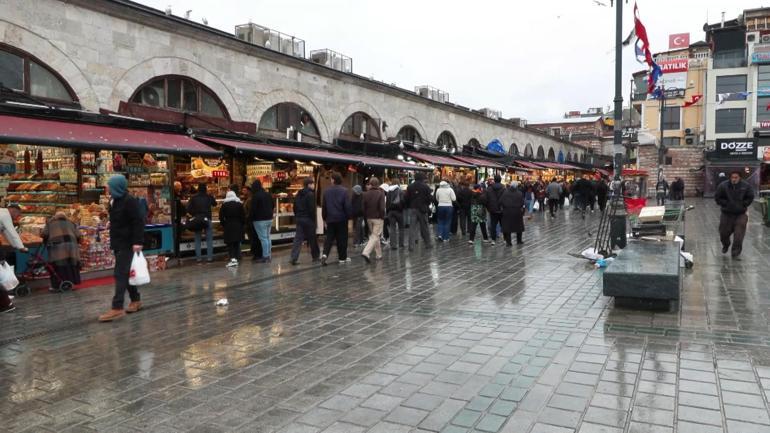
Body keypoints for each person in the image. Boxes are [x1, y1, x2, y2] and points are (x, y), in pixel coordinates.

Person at [99, 175, 145, 322]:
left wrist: (138, 242)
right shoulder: (114, 200)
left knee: (120, 273)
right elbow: (121, 219)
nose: (107, 188)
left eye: (109, 185)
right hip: (118, 242)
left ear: (116, 186)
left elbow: (138, 221)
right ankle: (135, 300)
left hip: (128, 243)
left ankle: (117, 307)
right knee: (126, 272)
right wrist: (110, 223)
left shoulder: (129, 201)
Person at [715, 171, 755, 258]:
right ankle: (726, 244)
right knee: (723, 233)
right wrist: (725, 203)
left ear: (740, 178)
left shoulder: (746, 186)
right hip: (726, 213)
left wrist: (744, 204)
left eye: (736, 177)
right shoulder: (723, 186)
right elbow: (717, 197)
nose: (734, 179)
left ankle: (735, 252)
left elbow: (750, 196)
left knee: (739, 235)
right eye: (732, 177)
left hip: (741, 214)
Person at [42, 211, 81, 291]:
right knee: (71, 265)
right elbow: (78, 235)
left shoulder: (50, 223)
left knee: (59, 266)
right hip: (71, 248)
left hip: (57, 248)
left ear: (55, 216)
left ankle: (57, 285)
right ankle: (71, 283)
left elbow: (44, 234)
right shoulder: (71, 223)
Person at [0, 205, 27, 313]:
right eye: (17, 215)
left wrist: (17, 246)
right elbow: (11, 232)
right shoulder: (5, 214)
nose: (16, 218)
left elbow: (6, 233)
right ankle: (6, 304)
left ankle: (5, 304)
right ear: (13, 211)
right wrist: (21, 247)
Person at [321, 172, 352, 265]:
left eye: (331, 179)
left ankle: (325, 254)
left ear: (333, 180)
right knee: (342, 238)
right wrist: (349, 217)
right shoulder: (344, 191)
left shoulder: (326, 191)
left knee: (329, 238)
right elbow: (347, 206)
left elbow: (324, 207)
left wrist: (324, 218)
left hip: (330, 218)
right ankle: (342, 258)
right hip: (342, 219)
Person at [290, 177, 320, 265]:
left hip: (299, 219)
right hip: (308, 219)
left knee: (298, 239)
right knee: (312, 238)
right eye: (313, 184)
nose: (314, 185)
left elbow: (294, 207)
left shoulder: (298, 194)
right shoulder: (310, 194)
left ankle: (293, 257)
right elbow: (311, 209)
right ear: (309, 184)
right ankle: (315, 257)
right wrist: (313, 220)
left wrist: (297, 216)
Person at [187, 183, 216, 263]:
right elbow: (215, 204)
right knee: (209, 239)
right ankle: (209, 258)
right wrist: (211, 196)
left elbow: (188, 209)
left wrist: (194, 214)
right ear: (205, 189)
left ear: (198, 189)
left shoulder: (193, 197)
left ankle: (198, 258)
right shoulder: (209, 196)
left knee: (197, 239)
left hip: (197, 219)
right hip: (207, 219)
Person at [405, 172, 433, 250]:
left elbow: (406, 198)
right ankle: (428, 244)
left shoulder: (410, 186)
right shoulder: (425, 186)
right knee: (424, 227)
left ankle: (411, 246)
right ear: (422, 178)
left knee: (412, 228)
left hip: (413, 208)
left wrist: (409, 205)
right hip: (422, 209)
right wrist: (427, 204)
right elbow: (430, 198)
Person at [361, 177, 386, 263]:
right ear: (378, 184)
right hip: (378, 218)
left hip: (369, 218)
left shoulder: (365, 194)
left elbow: (363, 208)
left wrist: (366, 216)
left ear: (370, 184)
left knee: (375, 236)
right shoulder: (380, 193)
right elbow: (382, 208)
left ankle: (379, 254)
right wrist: (382, 217)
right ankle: (366, 252)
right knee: (375, 236)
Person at [250, 179, 275, 263]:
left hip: (259, 220)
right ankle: (268, 254)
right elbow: (273, 205)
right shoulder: (267, 194)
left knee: (263, 238)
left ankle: (265, 256)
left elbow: (253, 209)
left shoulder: (255, 196)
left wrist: (250, 218)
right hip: (269, 218)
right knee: (267, 237)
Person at [219, 190, 245, 267]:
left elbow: (221, 217)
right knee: (237, 242)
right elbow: (243, 216)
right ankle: (238, 256)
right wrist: (242, 224)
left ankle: (232, 257)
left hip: (228, 225)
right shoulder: (239, 204)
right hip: (238, 225)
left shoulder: (224, 205)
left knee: (230, 243)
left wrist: (224, 224)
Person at [500, 181, 526, 246]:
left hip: (507, 211)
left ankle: (508, 242)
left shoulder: (505, 193)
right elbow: (522, 203)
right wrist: (522, 210)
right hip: (517, 212)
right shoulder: (519, 193)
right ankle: (519, 240)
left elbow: (501, 201)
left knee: (508, 227)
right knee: (519, 227)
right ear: (516, 186)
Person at [241, 186, 262, 261]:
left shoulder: (250, 200)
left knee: (252, 237)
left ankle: (254, 252)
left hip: (249, 222)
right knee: (252, 237)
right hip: (249, 221)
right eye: (243, 190)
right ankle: (254, 251)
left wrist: (247, 219)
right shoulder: (247, 199)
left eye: (245, 190)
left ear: (249, 191)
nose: (243, 192)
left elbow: (250, 211)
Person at [386, 179, 406, 250]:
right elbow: (403, 201)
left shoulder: (389, 191)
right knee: (401, 228)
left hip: (391, 212)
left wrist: (388, 211)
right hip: (399, 212)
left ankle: (393, 245)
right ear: (398, 183)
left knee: (392, 228)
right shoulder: (400, 191)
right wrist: (402, 208)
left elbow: (387, 202)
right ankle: (401, 244)